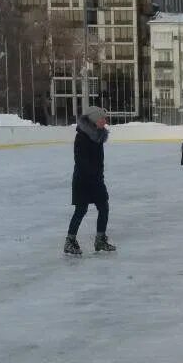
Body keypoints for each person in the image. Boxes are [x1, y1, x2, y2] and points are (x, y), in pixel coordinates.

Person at [64, 107, 115, 257]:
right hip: (83, 180)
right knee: (81, 210)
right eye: (102, 119)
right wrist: (93, 175)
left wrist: (98, 176)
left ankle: (100, 240)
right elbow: (81, 161)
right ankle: (69, 241)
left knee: (104, 207)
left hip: (96, 179)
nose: (105, 121)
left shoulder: (98, 135)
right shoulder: (82, 137)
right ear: (93, 120)